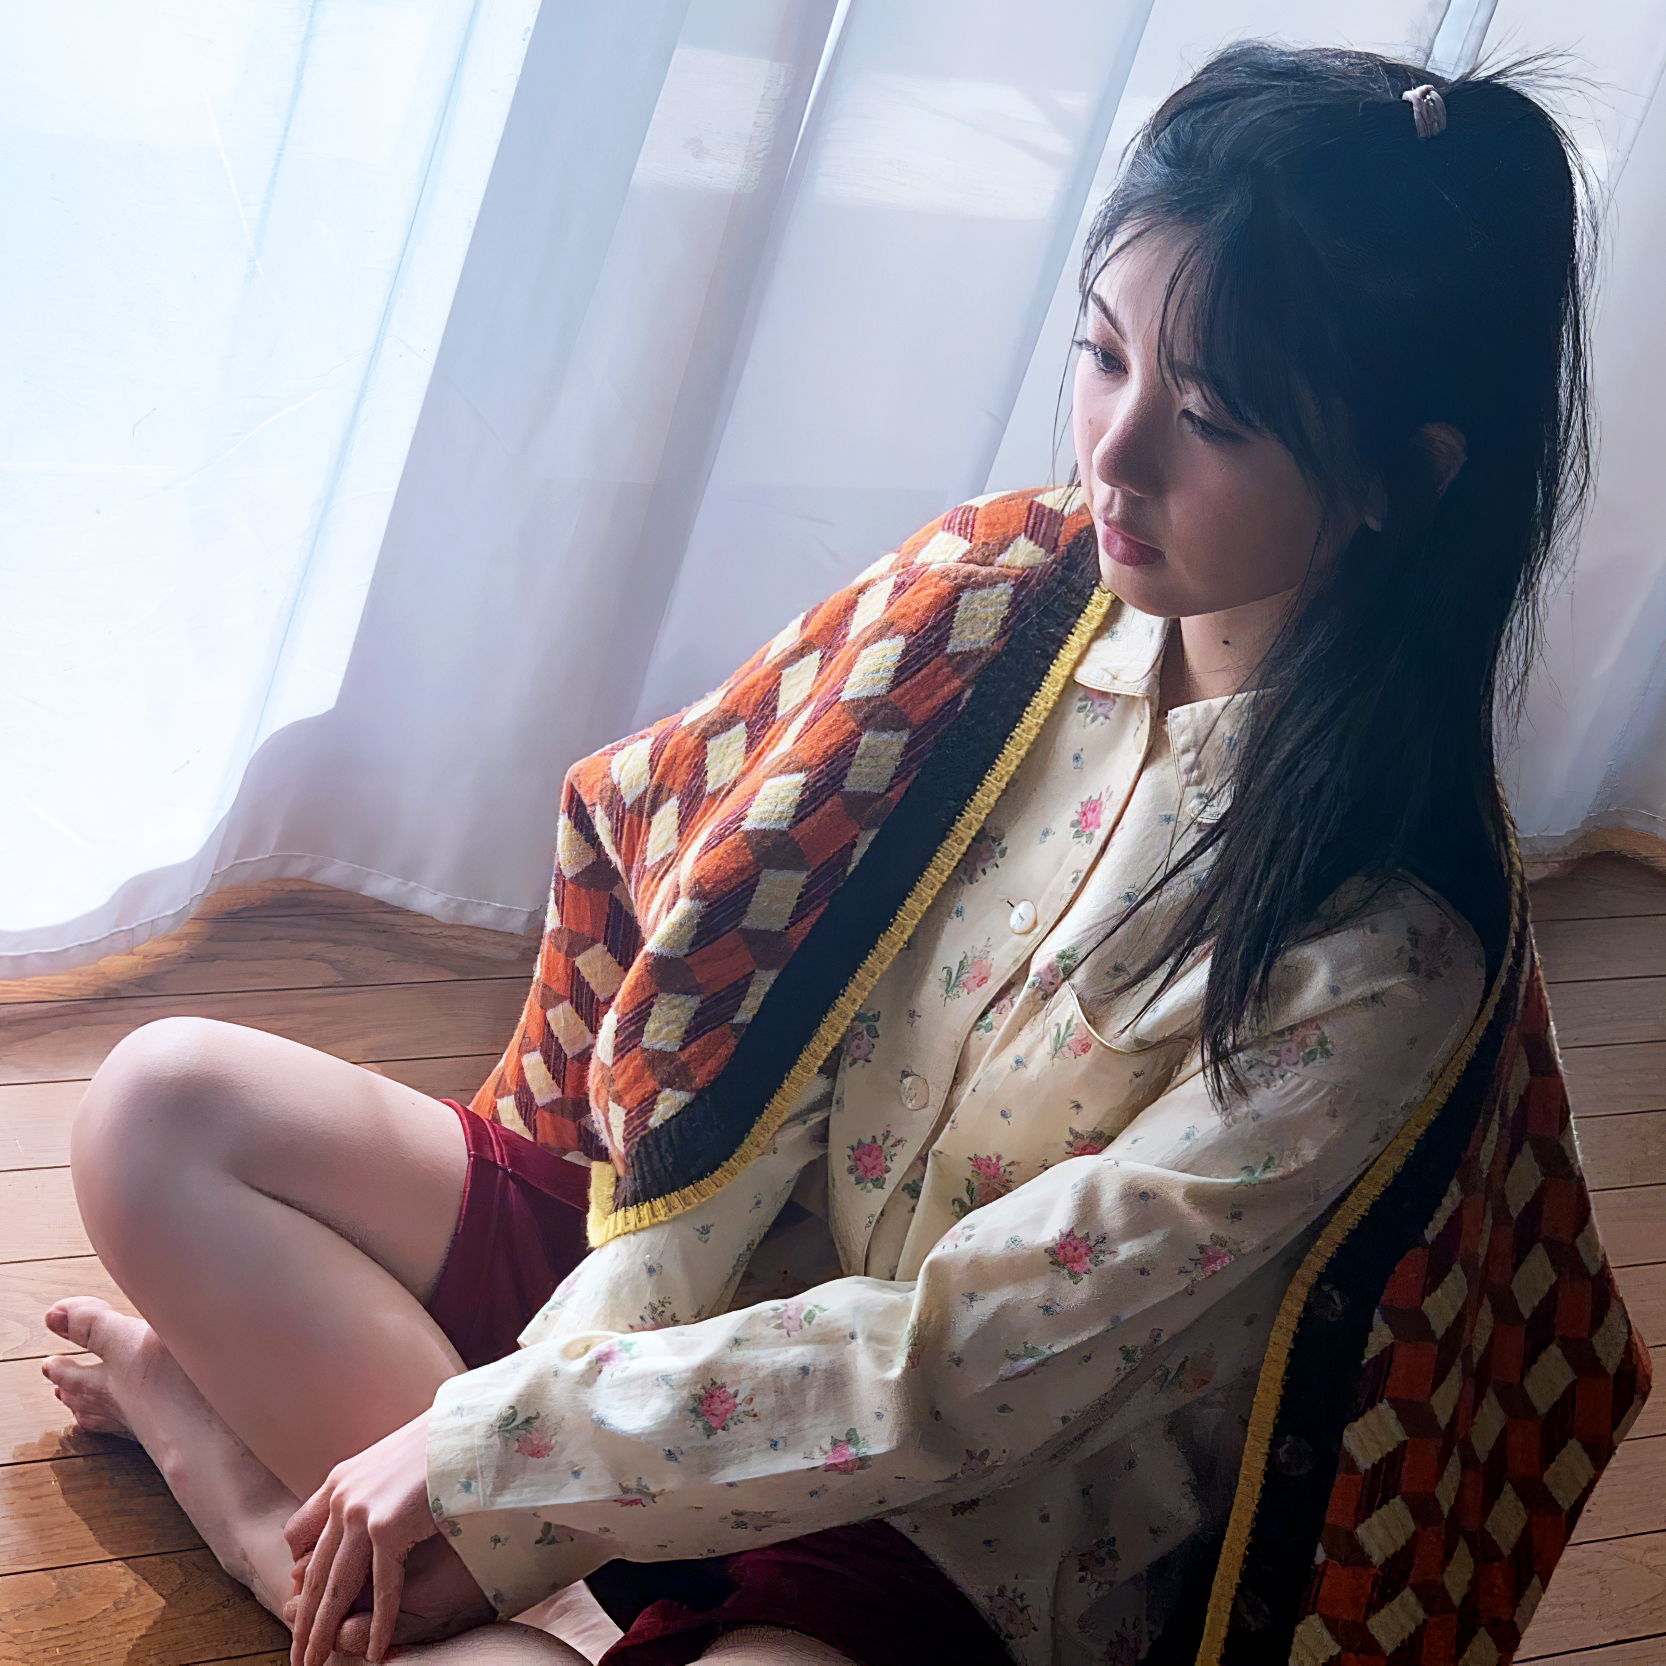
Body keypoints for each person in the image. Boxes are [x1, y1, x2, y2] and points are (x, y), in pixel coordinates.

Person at [41, 41, 1596, 1666]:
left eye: (1208, 418)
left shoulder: (1385, 951)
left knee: (498, 1504)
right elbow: (740, 1045)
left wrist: (487, 1459)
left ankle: (274, 1518)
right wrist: (520, 1443)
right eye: (1101, 354)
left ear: (1403, 478)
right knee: (162, 1108)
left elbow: (971, 1368)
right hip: (692, 1295)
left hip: (953, 1521)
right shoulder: (994, 602)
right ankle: (482, 1588)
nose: (1115, 454)